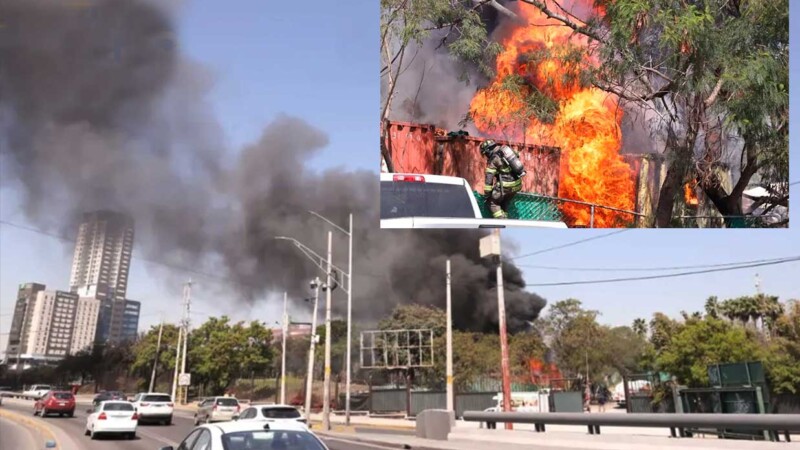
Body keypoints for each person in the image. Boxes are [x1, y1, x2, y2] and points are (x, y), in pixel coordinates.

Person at [480, 140, 526, 219]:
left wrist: (487, 194)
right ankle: (506, 218)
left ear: (488, 151)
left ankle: (502, 221)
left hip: (505, 186)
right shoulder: (507, 151)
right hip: (517, 185)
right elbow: (517, 156)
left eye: (485, 153)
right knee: (504, 202)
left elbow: (489, 178)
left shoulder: (493, 159)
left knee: (492, 203)